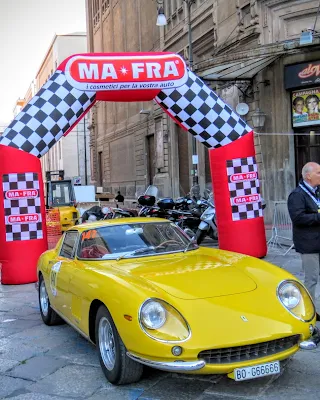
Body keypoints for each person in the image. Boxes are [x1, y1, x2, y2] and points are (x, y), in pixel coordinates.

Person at [287, 162, 320, 321]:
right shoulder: (297, 194)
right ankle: (308, 312)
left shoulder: (316, 191)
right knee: (311, 279)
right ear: (308, 175)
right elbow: (298, 218)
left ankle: (315, 309)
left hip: (318, 241)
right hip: (309, 244)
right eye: (318, 173)